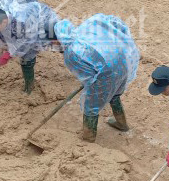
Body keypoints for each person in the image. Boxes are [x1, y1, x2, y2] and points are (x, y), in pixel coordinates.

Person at [54, 14, 140, 143]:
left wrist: (91, 83)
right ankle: (121, 124)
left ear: (58, 40)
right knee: (114, 95)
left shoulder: (71, 54)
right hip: (122, 62)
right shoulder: (83, 30)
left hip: (108, 71)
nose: (52, 44)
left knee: (91, 105)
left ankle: (88, 139)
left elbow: (87, 77)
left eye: (53, 41)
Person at [0, 0, 59, 93]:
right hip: (23, 30)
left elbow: (28, 41)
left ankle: (29, 84)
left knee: (28, 56)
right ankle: (29, 84)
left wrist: (10, 53)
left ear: (3, 22)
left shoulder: (22, 21)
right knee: (0, 37)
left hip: (43, 21)